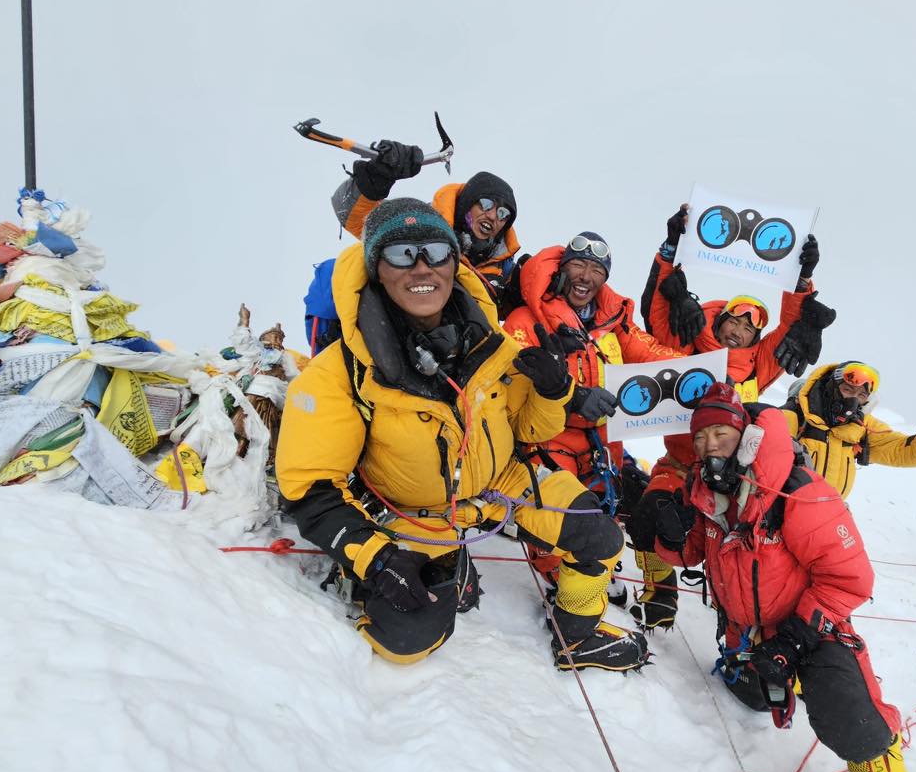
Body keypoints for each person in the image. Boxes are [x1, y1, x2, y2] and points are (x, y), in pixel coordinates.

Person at [276, 198, 648, 672]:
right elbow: (310, 488)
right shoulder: (341, 371)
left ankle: (577, 636)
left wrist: (555, 391)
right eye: (401, 254)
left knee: (599, 536)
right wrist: (375, 556)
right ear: (375, 269)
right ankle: (408, 576)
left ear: (454, 261)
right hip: (412, 512)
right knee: (409, 637)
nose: (421, 267)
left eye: (435, 250)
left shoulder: (491, 343)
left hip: (503, 486)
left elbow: (528, 430)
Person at [652, 384, 916, 772]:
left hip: (813, 628)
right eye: (700, 437)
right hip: (751, 636)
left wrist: (795, 641)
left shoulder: (798, 491)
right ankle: (763, 678)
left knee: (854, 725)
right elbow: (689, 551)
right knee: (754, 698)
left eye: (719, 433)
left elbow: (851, 579)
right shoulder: (707, 494)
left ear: (745, 435)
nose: (709, 446)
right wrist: (659, 521)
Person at [625, 206, 835, 629]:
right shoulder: (688, 345)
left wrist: (800, 278)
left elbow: (793, 326)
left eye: (753, 323)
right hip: (682, 467)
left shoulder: (759, 366)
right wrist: (670, 249)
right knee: (650, 517)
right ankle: (660, 592)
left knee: (745, 550)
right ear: (717, 320)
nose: (741, 326)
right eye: (734, 317)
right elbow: (660, 308)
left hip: (739, 483)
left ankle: (737, 618)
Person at [502, 231, 685, 520]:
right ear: (562, 270)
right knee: (562, 522)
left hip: (603, 443)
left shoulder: (613, 322)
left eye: (597, 269)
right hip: (548, 439)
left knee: (610, 520)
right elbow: (511, 386)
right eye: (578, 265)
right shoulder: (525, 321)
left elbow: (651, 353)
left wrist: (704, 371)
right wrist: (575, 397)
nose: (586, 276)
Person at [329, 140, 523, 304]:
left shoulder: (501, 272)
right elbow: (351, 216)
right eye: (485, 204)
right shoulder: (419, 225)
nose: (492, 216)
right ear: (466, 203)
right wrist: (373, 182)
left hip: (465, 343)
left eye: (503, 214)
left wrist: (540, 275)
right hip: (402, 332)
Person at [782, 361, 916, 499]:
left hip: (831, 517)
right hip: (785, 514)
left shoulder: (861, 427)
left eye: (861, 395)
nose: (853, 400)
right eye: (847, 389)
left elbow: (906, 452)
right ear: (830, 388)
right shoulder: (795, 418)